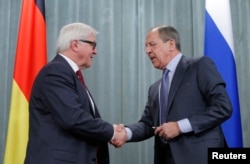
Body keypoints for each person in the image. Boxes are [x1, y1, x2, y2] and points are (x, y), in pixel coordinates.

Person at [113, 25, 233, 164]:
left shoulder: (199, 66)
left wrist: (180, 126)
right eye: (145, 46)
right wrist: (125, 133)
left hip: (199, 156)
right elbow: (148, 124)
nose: (147, 51)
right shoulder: (155, 88)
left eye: (152, 44)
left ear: (171, 44)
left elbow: (223, 107)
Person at [24, 22, 127, 164]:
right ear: (75, 45)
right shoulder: (55, 72)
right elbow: (73, 118)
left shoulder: (69, 74)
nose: (95, 52)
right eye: (93, 45)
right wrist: (112, 132)